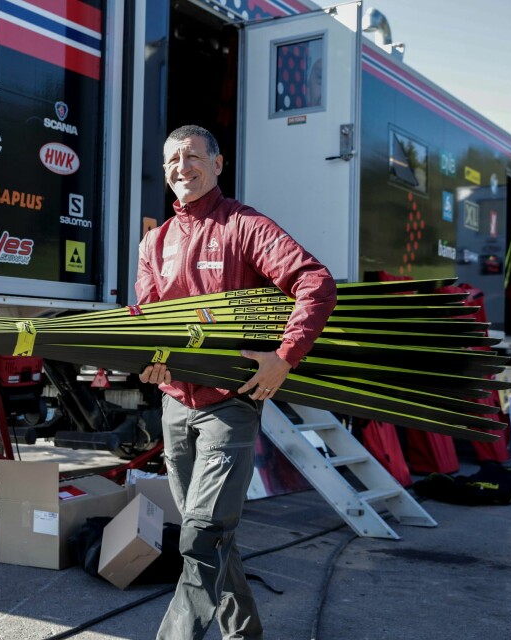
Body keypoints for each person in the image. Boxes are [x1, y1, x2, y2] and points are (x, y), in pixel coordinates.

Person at [136, 125, 336, 640]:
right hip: (176, 404)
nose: (182, 167)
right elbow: (148, 319)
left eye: (193, 156)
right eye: (172, 160)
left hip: (230, 404)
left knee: (201, 534)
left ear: (218, 164)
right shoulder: (154, 243)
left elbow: (315, 281)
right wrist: (147, 362)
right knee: (209, 530)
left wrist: (284, 358)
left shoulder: (244, 226)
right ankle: (244, 634)